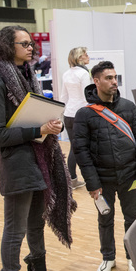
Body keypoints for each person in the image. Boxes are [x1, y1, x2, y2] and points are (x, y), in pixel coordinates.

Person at [0, 25, 74, 271]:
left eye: (31, 43)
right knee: (14, 230)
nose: (31, 47)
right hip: (17, 165)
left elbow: (36, 117)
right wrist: (38, 128)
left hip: (39, 159)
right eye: (24, 43)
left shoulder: (29, 76)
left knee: (35, 223)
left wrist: (51, 124)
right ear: (8, 46)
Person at [74, 60, 136, 271]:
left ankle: (131, 258)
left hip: (129, 176)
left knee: (131, 218)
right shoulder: (84, 114)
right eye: (108, 78)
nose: (114, 82)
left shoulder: (127, 106)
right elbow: (81, 152)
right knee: (105, 219)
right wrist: (92, 183)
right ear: (96, 81)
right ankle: (108, 257)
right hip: (102, 179)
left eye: (115, 77)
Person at [60, 46, 91, 189]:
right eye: (85, 54)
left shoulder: (66, 73)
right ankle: (83, 178)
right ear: (80, 58)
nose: (88, 56)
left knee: (74, 147)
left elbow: (63, 97)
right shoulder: (84, 74)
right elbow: (87, 97)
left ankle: (72, 178)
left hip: (69, 115)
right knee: (82, 148)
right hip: (81, 115)